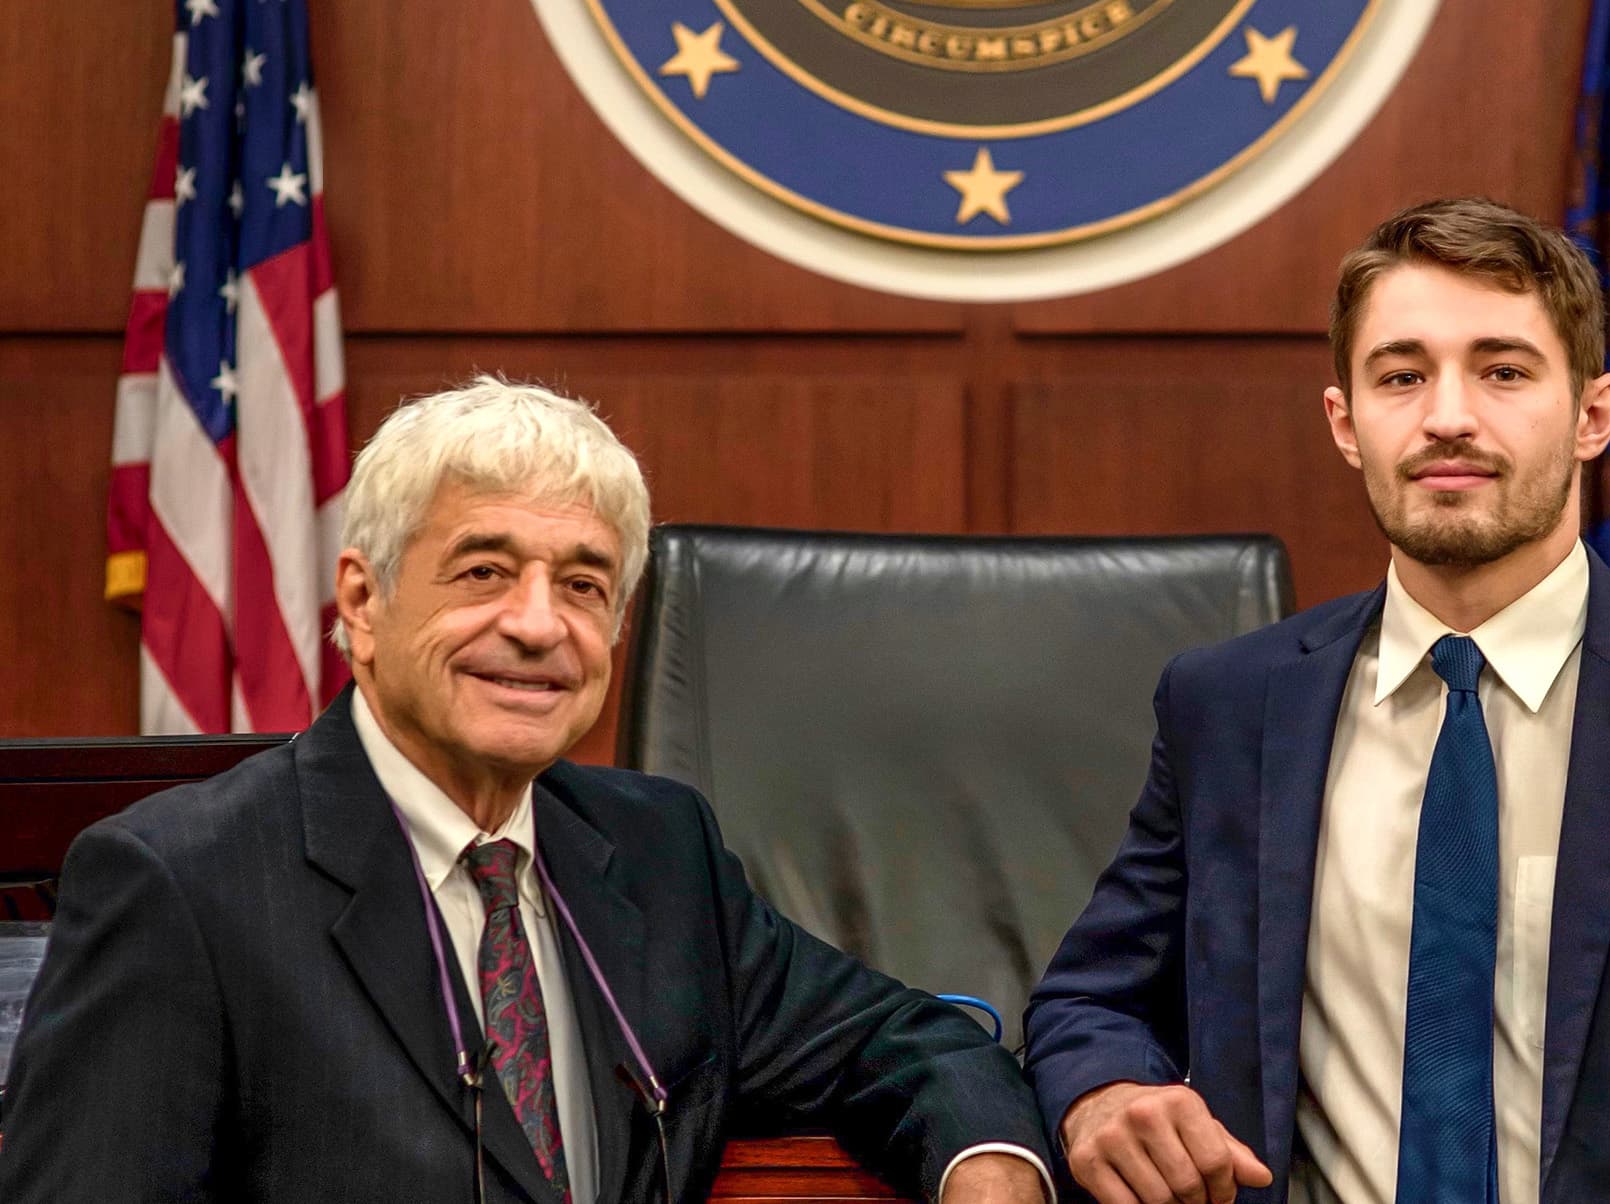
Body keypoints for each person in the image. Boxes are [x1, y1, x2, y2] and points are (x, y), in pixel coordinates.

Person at [1022, 198, 1610, 1204]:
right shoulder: (1226, 707)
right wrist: (1099, 1090)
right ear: (1344, 422)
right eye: (1400, 375)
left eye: (1501, 370)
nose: (1447, 415)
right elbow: (1089, 997)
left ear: (1593, 415)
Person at [0, 378, 1054, 1204]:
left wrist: (989, 1164)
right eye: (483, 572)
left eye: (585, 585)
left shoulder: (655, 851)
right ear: (362, 603)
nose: (540, 625)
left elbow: (900, 1040)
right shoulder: (181, 884)